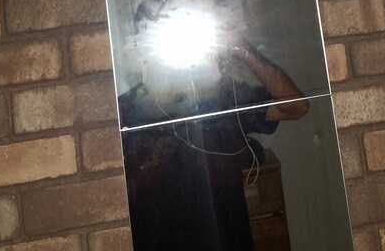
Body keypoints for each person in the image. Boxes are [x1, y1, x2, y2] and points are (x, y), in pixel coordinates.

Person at [121, 25, 308, 251]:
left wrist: (242, 49)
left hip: (227, 240)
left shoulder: (224, 98)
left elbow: (296, 107)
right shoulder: (126, 111)